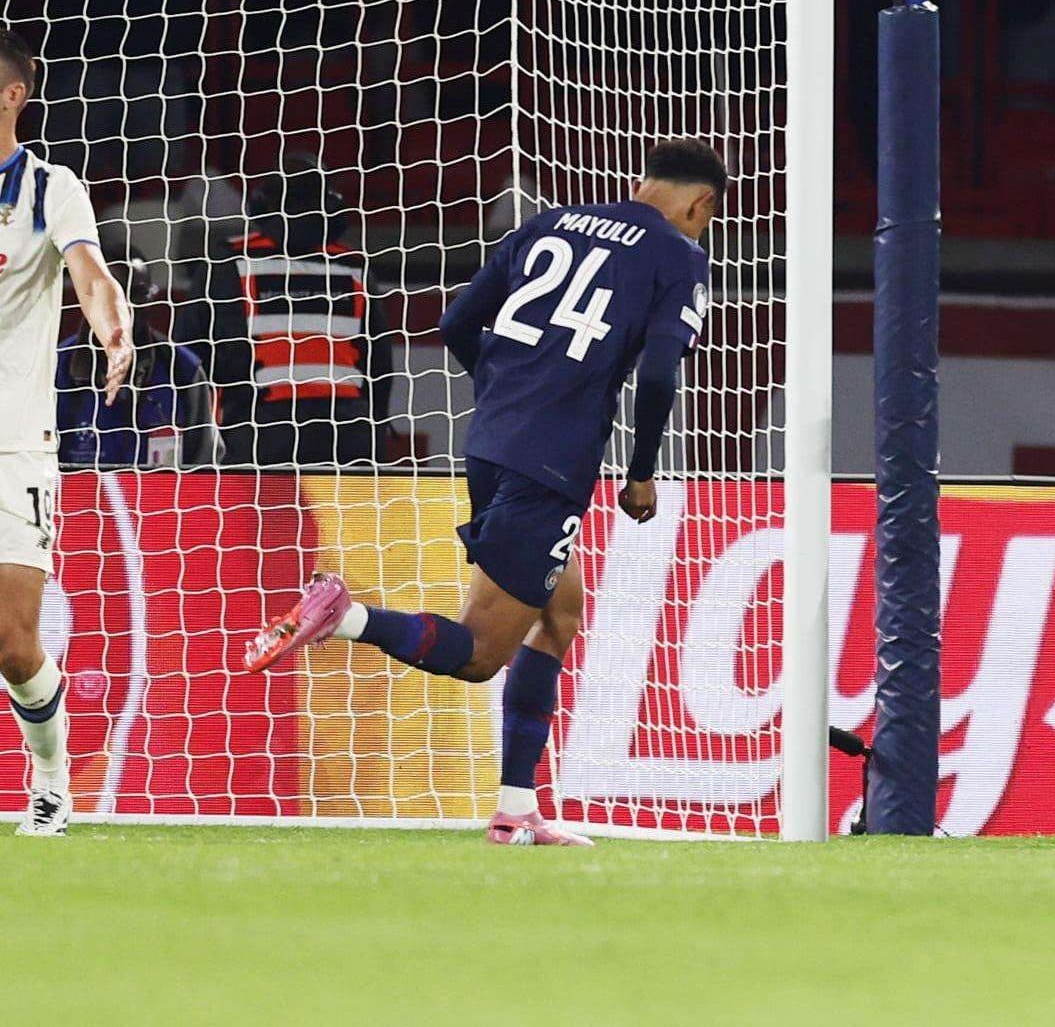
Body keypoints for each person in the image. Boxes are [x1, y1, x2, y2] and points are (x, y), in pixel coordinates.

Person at [244, 138, 723, 848]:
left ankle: (516, 806)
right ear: (700, 204)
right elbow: (658, 376)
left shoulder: (550, 221)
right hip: (552, 464)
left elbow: (457, 322)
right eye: (706, 219)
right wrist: (642, 469)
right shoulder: (679, 256)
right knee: (476, 654)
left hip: (492, 440)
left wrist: (504, 389)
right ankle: (347, 616)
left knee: (560, 609)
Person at [0, 26, 134, 836]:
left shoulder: (51, 187)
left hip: (14, 440)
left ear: (12, 93)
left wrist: (112, 327)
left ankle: (51, 777)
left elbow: (91, 274)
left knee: (14, 643)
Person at [172, 154, 393, 466]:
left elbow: (188, 356)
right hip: (349, 438)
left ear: (264, 203)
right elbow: (380, 366)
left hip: (261, 437)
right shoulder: (354, 266)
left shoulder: (228, 262)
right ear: (331, 206)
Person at [56, 244, 219, 467]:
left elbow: (205, 464)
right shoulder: (55, 369)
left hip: (163, 500)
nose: (121, 309)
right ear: (89, 298)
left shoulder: (183, 370)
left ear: (151, 298)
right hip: (77, 499)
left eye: (135, 296)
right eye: (111, 297)